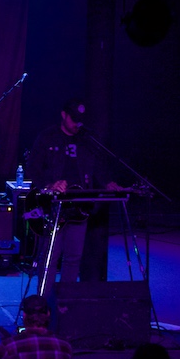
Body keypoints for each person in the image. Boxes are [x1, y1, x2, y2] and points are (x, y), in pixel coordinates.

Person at [26, 98, 122, 296]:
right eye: (73, 119)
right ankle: (43, 303)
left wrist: (107, 183)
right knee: (50, 257)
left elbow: (98, 169)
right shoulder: (47, 137)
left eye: (81, 120)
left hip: (79, 206)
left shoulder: (89, 140)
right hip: (53, 206)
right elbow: (33, 169)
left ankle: (65, 301)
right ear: (63, 115)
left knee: (73, 257)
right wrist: (50, 184)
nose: (77, 124)